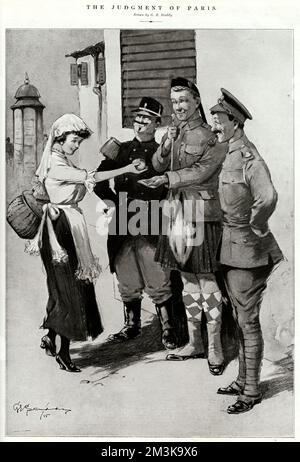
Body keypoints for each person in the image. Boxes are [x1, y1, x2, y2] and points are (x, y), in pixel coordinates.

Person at [25, 113, 146, 372]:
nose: (76, 146)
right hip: (60, 229)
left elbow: (87, 179)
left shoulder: (59, 160)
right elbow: (91, 177)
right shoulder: (57, 165)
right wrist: (125, 169)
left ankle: (50, 337)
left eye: (79, 142)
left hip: (67, 225)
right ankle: (62, 352)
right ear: (59, 138)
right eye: (74, 141)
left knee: (66, 286)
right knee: (68, 289)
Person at [144, 78, 228, 375]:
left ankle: (215, 346)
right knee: (187, 281)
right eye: (174, 102)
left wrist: (168, 179)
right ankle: (195, 342)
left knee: (206, 279)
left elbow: (201, 171)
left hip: (201, 213)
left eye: (183, 101)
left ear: (196, 102)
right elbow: (157, 164)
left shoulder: (210, 136)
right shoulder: (175, 133)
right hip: (177, 212)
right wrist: (166, 143)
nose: (178, 107)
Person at [210, 88, 284, 413]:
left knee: (248, 321)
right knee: (239, 319)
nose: (214, 125)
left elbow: (267, 197)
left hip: (248, 252)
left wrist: (255, 225)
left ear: (235, 123)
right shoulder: (227, 154)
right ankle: (243, 379)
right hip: (228, 249)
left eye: (219, 120)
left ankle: (251, 390)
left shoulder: (250, 159)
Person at [94, 97, 178, 350]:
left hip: (151, 217)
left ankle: (168, 328)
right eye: (138, 118)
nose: (140, 123)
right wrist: (110, 203)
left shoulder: (164, 153)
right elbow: (97, 181)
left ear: (156, 123)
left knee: (156, 273)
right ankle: (131, 325)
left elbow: (172, 181)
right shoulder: (117, 149)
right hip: (122, 217)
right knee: (126, 272)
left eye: (146, 119)